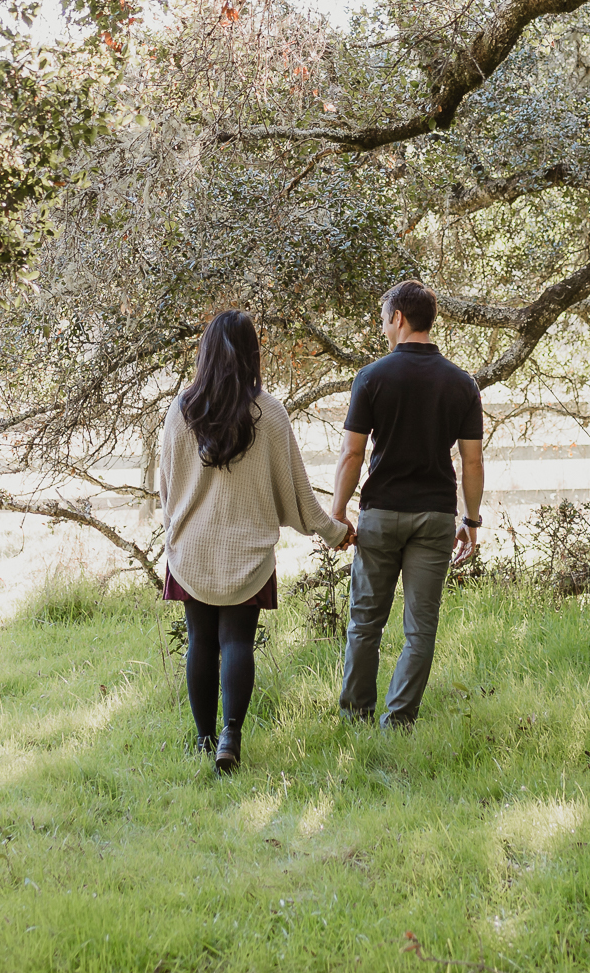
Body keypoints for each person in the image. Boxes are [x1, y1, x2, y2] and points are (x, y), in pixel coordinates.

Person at [158, 309, 351, 773]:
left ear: (205, 353)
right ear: (252, 354)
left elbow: (165, 486)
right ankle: (230, 737)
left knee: (199, 641)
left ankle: (203, 740)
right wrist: (337, 532)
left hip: (193, 551)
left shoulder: (181, 410)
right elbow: (299, 495)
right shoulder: (270, 414)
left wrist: (177, 530)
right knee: (237, 642)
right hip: (247, 553)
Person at [331, 279, 485, 728]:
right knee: (420, 629)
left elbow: (352, 454)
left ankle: (356, 716)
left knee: (365, 624)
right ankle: (398, 720)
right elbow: (472, 461)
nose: (383, 330)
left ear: (398, 318)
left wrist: (338, 515)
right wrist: (471, 519)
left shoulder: (372, 378)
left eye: (384, 320)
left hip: (380, 514)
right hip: (436, 516)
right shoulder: (462, 383)